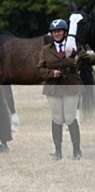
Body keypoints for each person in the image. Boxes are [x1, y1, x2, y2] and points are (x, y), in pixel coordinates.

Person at [37, 18, 83, 160]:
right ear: (52, 33)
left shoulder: (74, 47)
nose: (57, 34)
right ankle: (58, 151)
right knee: (57, 118)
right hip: (53, 87)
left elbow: (84, 61)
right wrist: (52, 73)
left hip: (71, 85)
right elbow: (40, 69)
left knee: (70, 118)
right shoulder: (46, 50)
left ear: (65, 32)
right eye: (55, 31)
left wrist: (76, 57)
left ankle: (76, 150)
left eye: (60, 31)